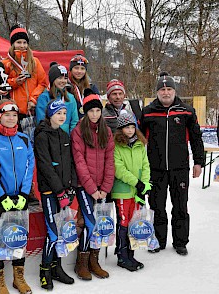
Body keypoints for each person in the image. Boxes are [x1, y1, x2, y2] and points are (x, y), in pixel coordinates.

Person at [139, 71, 204, 256]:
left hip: (179, 167)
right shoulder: (148, 112)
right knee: (157, 205)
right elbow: (138, 140)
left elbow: (196, 138)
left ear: (174, 91)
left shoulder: (187, 111)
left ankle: (180, 241)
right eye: (162, 89)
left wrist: (199, 162)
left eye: (169, 89)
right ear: (157, 92)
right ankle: (158, 239)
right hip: (155, 169)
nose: (166, 93)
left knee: (180, 205)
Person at [0, 99, 35, 294]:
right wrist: (1, 195)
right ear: (0, 116)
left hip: (21, 197)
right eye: (6, 115)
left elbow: (29, 166)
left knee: (18, 236)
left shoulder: (24, 139)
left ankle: (19, 278)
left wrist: (24, 193)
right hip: (0, 199)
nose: (10, 118)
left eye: (14, 115)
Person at [34, 100, 77, 291]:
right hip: (51, 192)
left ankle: (56, 267)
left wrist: (70, 187)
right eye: (58, 113)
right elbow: (45, 166)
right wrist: (59, 191)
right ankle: (45, 270)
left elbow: (69, 164)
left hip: (64, 192)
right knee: (52, 233)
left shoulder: (64, 134)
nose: (61, 116)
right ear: (50, 114)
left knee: (61, 231)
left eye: (64, 113)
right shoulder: (42, 135)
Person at [71, 94, 114, 281]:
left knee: (100, 223)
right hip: (85, 186)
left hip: (102, 186)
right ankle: (81, 261)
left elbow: (110, 161)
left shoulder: (106, 131)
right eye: (91, 111)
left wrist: (105, 187)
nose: (95, 114)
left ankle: (94, 260)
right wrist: (91, 188)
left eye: (98, 111)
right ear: (85, 112)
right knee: (89, 223)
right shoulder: (79, 131)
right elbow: (79, 162)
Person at [111, 111, 150, 271]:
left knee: (134, 223)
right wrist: (137, 183)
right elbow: (119, 169)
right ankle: (122, 255)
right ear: (121, 129)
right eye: (126, 127)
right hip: (123, 191)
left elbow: (145, 164)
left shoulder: (140, 144)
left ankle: (131, 254)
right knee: (124, 222)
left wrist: (145, 184)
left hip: (137, 191)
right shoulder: (117, 146)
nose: (130, 130)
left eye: (132, 127)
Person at [2, 25, 48, 120]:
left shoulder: (34, 62)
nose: (22, 45)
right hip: (13, 111)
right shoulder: (6, 63)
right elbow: (2, 84)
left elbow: (42, 83)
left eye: (24, 42)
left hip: (32, 109)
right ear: (13, 44)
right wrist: (15, 82)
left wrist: (33, 99)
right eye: (18, 42)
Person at [36, 63, 79, 135]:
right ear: (53, 79)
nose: (63, 81)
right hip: (49, 138)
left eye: (65, 78)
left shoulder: (70, 98)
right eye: (60, 78)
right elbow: (41, 121)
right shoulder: (44, 98)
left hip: (66, 138)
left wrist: (71, 137)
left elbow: (74, 121)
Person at [67, 54, 99, 119]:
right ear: (71, 69)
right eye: (76, 68)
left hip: (87, 123)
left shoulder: (92, 88)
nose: (79, 71)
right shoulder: (66, 87)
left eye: (82, 68)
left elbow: (98, 108)